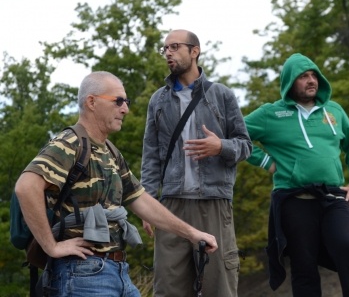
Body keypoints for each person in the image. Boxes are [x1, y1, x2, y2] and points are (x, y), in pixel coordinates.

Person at [14, 71, 218, 297]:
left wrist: (192, 233)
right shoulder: (69, 143)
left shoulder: (110, 150)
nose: (125, 109)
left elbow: (140, 199)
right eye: (118, 101)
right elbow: (26, 187)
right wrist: (51, 246)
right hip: (82, 274)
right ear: (91, 102)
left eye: (126, 102)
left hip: (117, 271)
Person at [244, 53, 349, 297]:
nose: (311, 80)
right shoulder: (271, 114)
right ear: (290, 82)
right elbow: (233, 133)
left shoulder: (333, 110)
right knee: (303, 267)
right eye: (303, 76)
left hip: (334, 197)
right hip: (294, 200)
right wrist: (264, 161)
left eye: (314, 75)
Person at [140, 29, 252, 297]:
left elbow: (245, 145)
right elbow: (151, 155)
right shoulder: (158, 100)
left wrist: (220, 146)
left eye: (175, 47)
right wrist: (147, 204)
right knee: (168, 288)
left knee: (219, 287)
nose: (168, 53)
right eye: (165, 48)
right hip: (171, 205)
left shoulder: (222, 95)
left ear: (194, 51)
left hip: (213, 202)